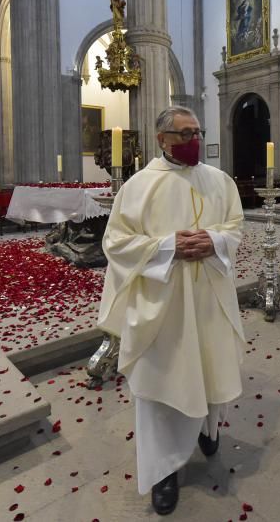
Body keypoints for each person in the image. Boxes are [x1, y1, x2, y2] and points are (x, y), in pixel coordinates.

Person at [97, 106, 244, 516]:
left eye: (197, 131)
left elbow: (235, 226)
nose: (193, 139)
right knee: (163, 382)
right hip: (161, 305)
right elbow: (116, 244)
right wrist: (168, 247)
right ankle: (163, 471)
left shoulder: (219, 181)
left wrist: (213, 241)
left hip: (208, 297)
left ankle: (208, 428)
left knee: (210, 366)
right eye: (184, 133)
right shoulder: (139, 186)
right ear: (162, 138)